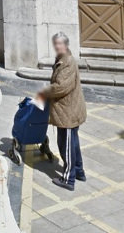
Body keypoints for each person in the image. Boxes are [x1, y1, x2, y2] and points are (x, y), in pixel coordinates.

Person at [39, 32, 87, 191]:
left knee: (66, 144)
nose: (57, 47)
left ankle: (68, 178)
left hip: (67, 111)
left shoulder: (67, 62)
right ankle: (79, 171)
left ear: (66, 45)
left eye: (59, 44)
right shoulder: (62, 59)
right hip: (69, 109)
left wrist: (45, 92)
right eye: (55, 44)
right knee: (73, 143)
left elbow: (61, 87)